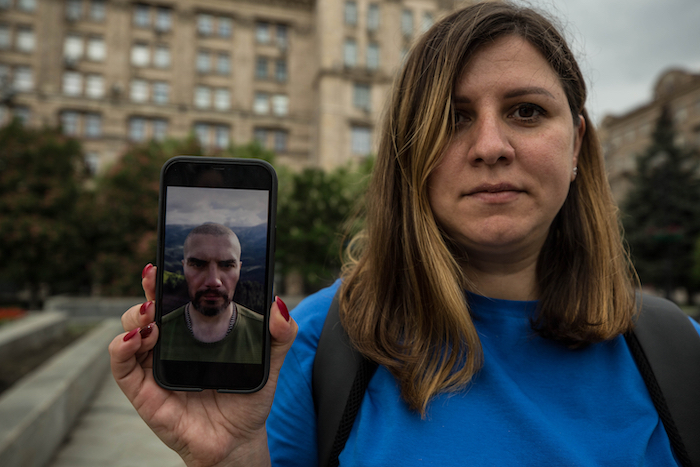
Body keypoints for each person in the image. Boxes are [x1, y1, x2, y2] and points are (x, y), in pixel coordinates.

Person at [109, 2, 700, 466]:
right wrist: (228, 460)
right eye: (452, 117)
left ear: (576, 144)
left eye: (526, 111)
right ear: (407, 153)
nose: (491, 147)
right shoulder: (314, 341)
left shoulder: (678, 350)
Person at [159, 222, 263, 363]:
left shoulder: (264, 334)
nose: (214, 281)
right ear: (184, 268)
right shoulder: (159, 334)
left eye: (227, 265)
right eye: (198, 264)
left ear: (239, 269)